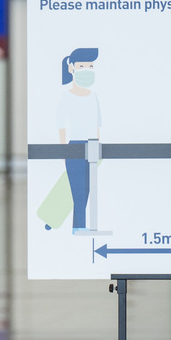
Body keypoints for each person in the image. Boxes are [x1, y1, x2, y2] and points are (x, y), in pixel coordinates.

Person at [56, 47, 100, 233]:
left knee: (87, 189)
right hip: (74, 147)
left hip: (91, 145)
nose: (87, 70)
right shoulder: (66, 97)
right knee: (78, 191)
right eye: (82, 66)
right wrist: (63, 151)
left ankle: (79, 227)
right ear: (71, 68)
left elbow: (97, 125)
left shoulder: (93, 97)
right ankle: (79, 227)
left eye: (90, 66)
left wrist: (97, 146)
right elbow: (62, 126)